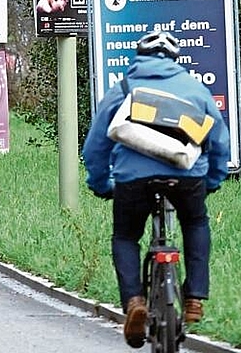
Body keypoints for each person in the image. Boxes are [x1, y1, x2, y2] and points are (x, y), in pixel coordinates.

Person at [82, 31, 230, 349]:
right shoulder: (196, 90)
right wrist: (213, 180)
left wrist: (100, 184)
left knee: (126, 236)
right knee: (195, 223)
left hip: (132, 180)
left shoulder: (123, 89)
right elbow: (218, 141)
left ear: (139, 57)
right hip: (187, 176)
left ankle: (134, 301)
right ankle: (194, 298)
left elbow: (95, 145)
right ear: (176, 60)